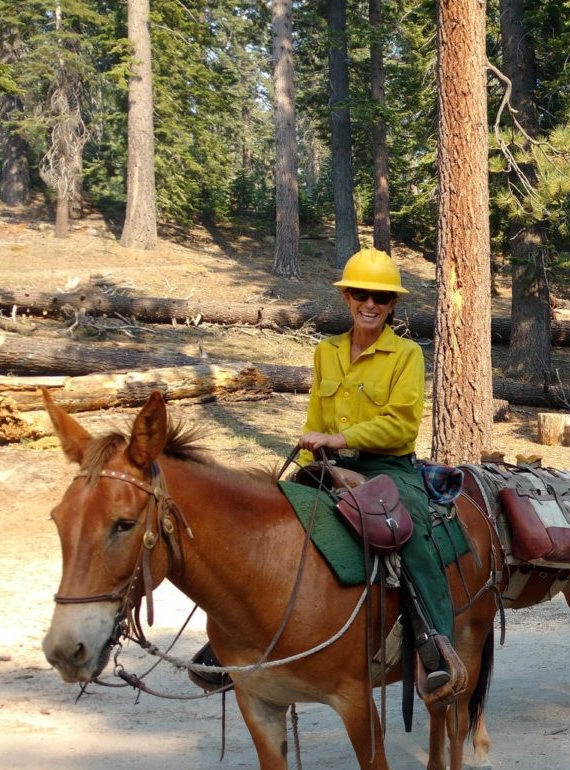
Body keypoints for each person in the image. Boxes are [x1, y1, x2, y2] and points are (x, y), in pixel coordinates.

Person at [189, 248, 458, 698]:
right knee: (267, 523)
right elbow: (315, 420)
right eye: (360, 294)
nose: (369, 304)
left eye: (380, 296)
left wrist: (342, 439)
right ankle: (233, 641)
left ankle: (436, 645)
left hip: (388, 467)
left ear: (393, 305)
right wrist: (313, 459)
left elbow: (401, 424)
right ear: (347, 299)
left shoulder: (406, 354)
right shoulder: (326, 352)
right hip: (328, 467)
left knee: (409, 531)